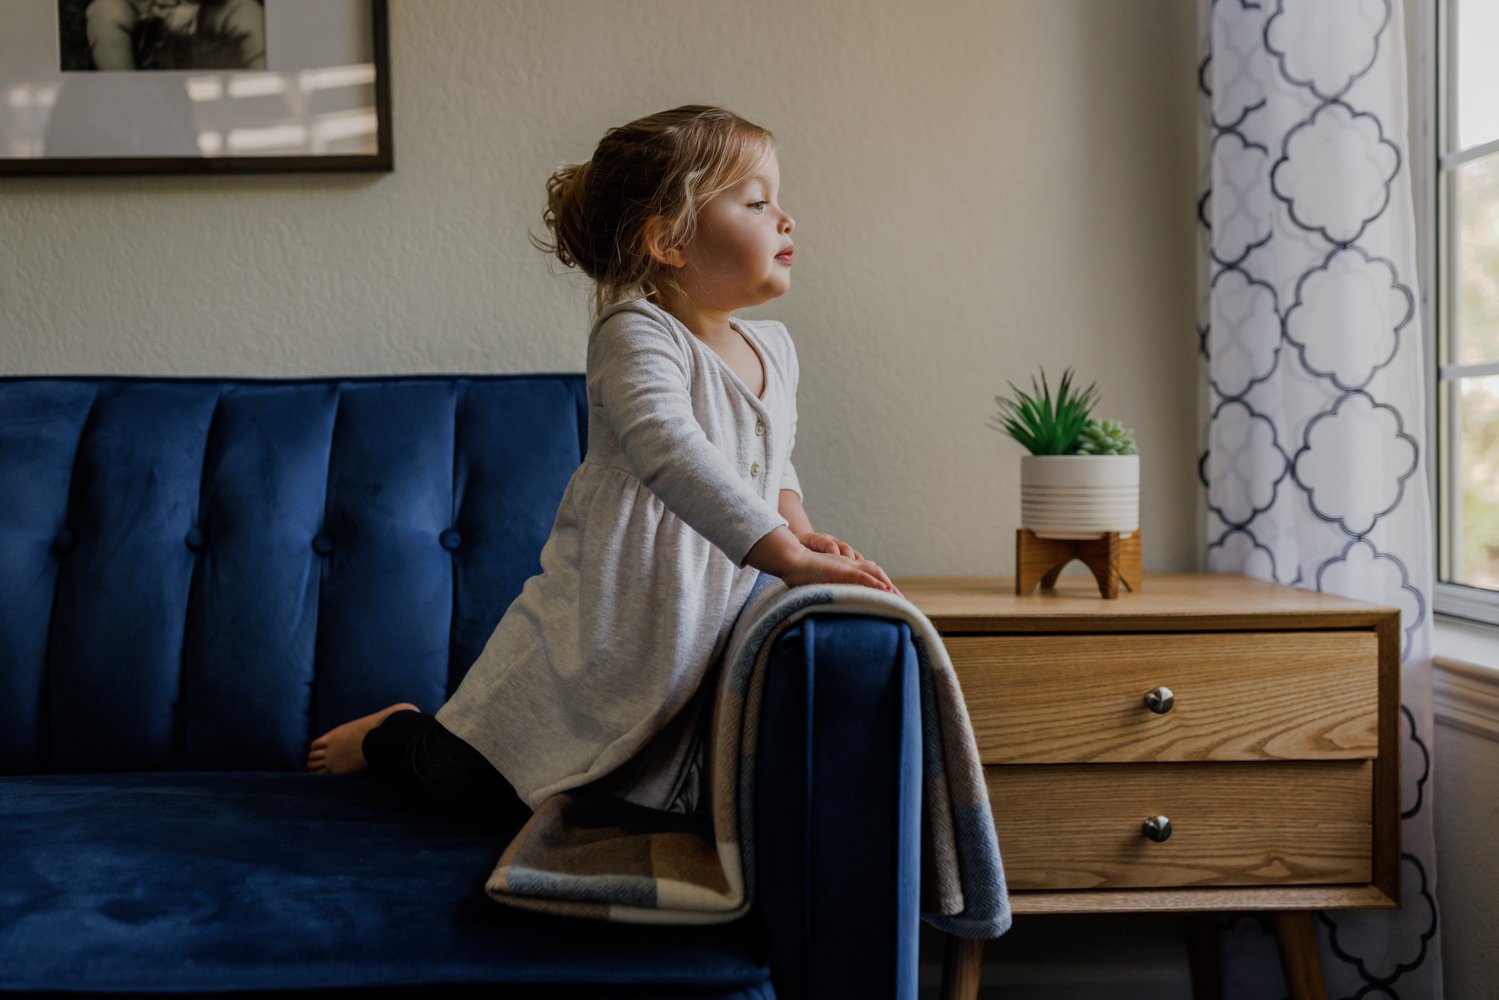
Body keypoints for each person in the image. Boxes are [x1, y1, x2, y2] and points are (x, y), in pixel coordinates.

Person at [307, 105, 902, 827]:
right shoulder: (635, 332)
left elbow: (776, 461)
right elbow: (667, 448)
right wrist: (780, 553)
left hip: (704, 608)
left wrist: (799, 530)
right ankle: (390, 731)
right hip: (606, 622)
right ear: (670, 240)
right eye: (756, 202)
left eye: (777, 199)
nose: (787, 219)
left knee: (629, 789)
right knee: (455, 783)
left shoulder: (775, 350)